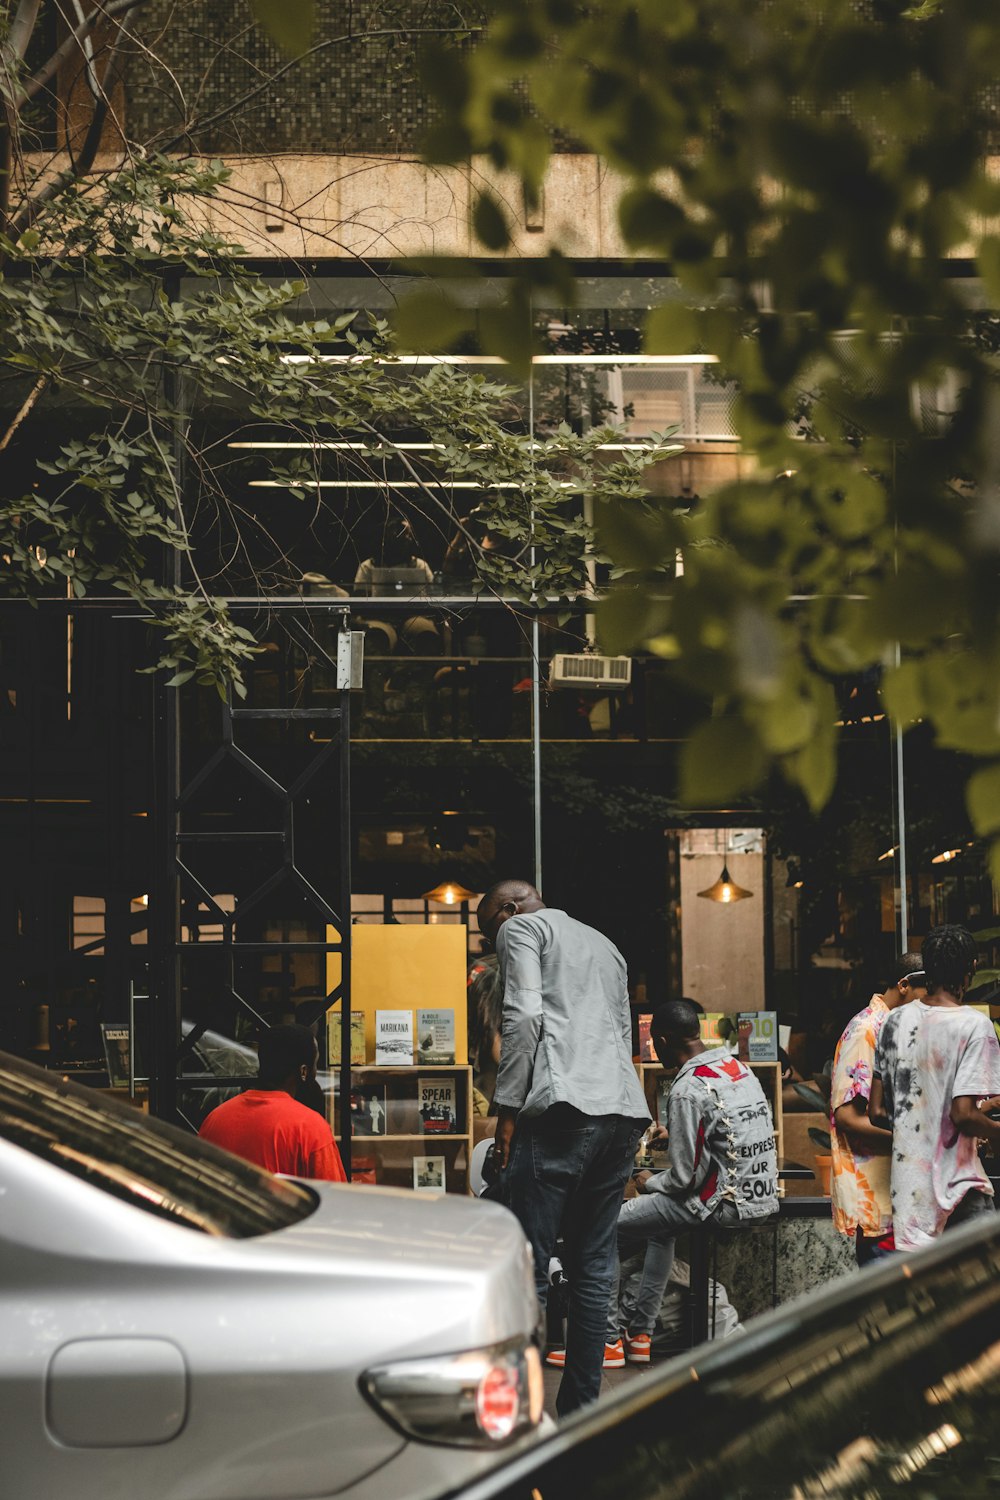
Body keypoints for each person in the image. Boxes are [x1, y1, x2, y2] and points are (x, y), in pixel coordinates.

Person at [476, 879, 650, 1416]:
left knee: (529, 1263)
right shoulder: (606, 945)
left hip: (560, 1113)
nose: (496, 944)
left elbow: (523, 1017)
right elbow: (621, 1035)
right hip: (620, 1112)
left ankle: (523, 1419)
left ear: (506, 911)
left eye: (490, 932)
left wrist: (506, 1109)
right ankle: (580, 1412)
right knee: (595, 1263)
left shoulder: (522, 928)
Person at [607, 1000, 778, 1364]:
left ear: (666, 1040)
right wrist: (678, 1134)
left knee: (605, 1230)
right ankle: (640, 1334)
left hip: (720, 1204)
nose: (655, 1051)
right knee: (659, 1228)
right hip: (758, 1198)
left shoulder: (685, 1089)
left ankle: (607, 1340)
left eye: (655, 1043)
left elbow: (684, 1179)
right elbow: (723, 1128)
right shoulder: (735, 1067)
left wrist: (648, 1180)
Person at [871, 924, 1000, 1251]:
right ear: (971, 970)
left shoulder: (893, 1021)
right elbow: (964, 1115)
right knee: (982, 1295)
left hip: (911, 1193)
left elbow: (877, 1110)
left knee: (927, 1299)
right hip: (958, 1192)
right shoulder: (973, 1025)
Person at [829, 951, 926, 1265]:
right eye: (927, 993)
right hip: (878, 1200)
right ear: (904, 985)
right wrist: (912, 1143)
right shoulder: (866, 1031)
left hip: (903, 1197)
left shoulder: (900, 1028)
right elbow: (846, 1117)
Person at [199, 1023, 347, 1182]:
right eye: (316, 1063)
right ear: (303, 1071)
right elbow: (334, 1198)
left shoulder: (215, 1119)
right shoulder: (310, 1127)